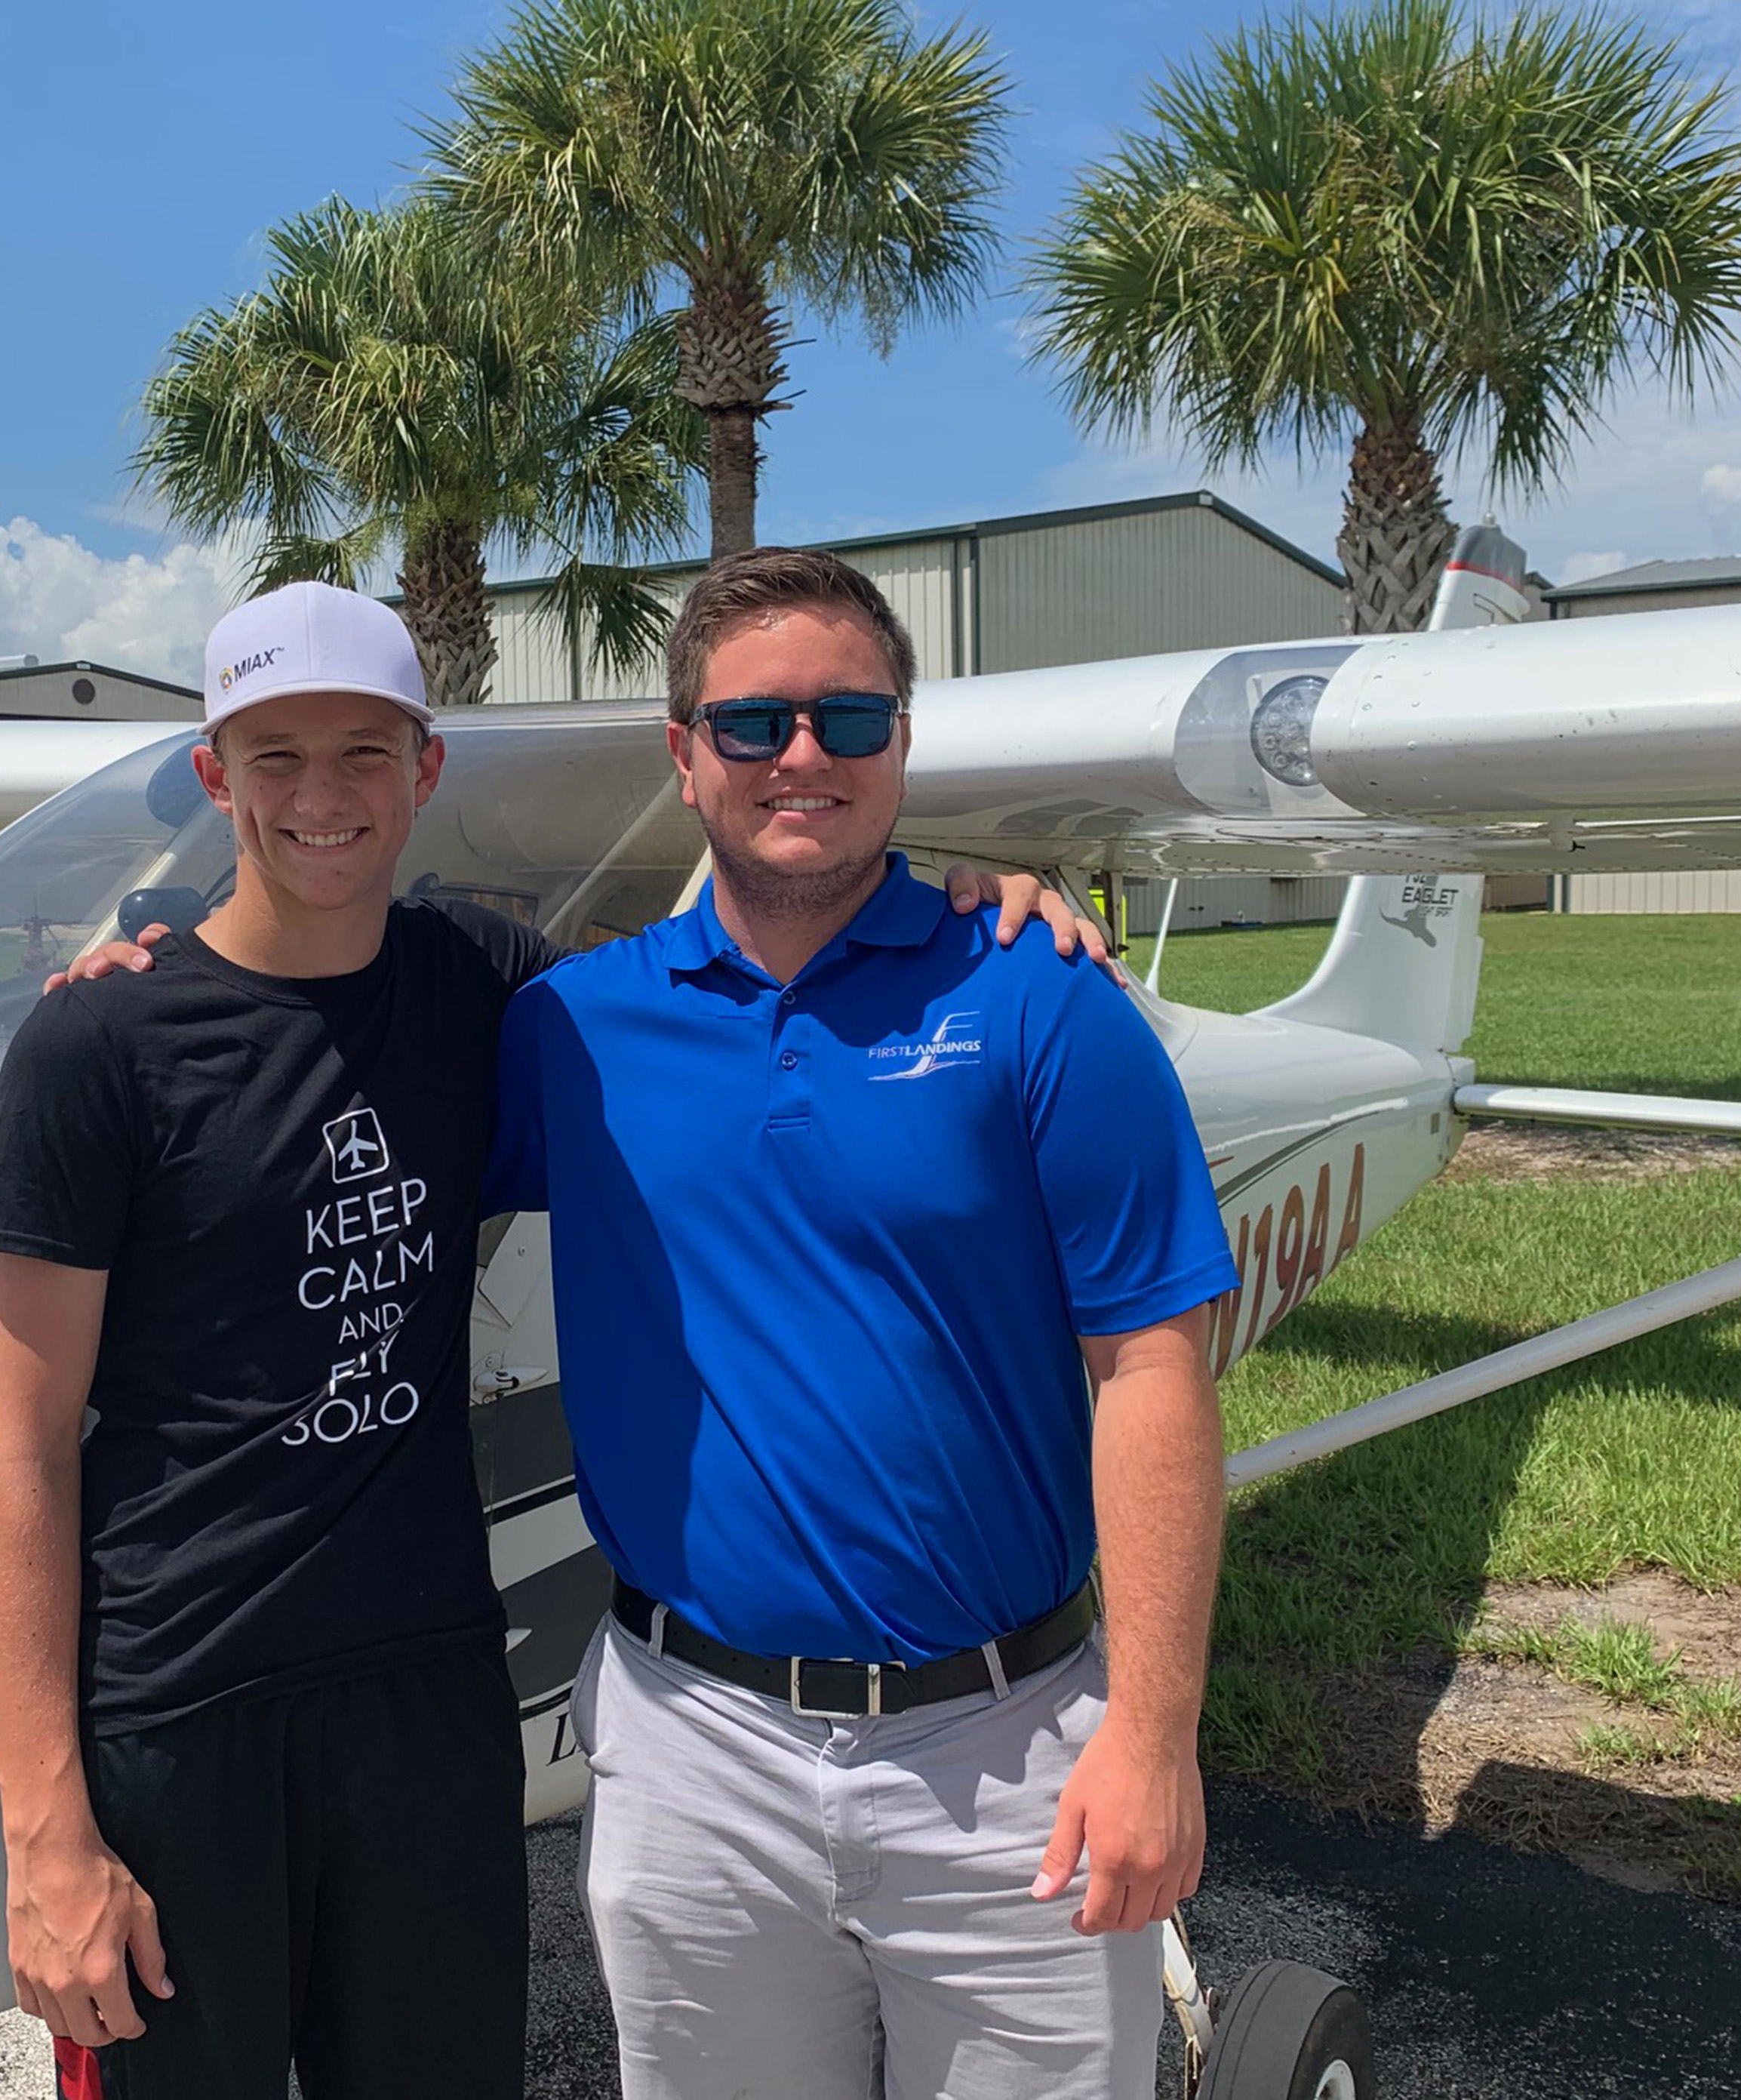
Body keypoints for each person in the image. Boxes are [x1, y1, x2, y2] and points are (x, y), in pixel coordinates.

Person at [0, 577, 1093, 2100]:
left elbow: (719, 999)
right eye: (275, 754)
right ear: (213, 776)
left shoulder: (487, 991)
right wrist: (45, 1830)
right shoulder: (96, 1043)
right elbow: (22, 1449)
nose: (321, 795)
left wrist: (974, 913)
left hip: (430, 1693)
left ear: (425, 768)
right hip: (185, 1705)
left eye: (364, 752)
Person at [482, 547, 1239, 2100]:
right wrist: (139, 980)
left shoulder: (1040, 993)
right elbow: (332, 1077)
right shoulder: (573, 1027)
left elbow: (1152, 1367)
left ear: (902, 740)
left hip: (1006, 1745)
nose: (804, 756)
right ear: (685, 752)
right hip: (693, 1746)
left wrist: (1155, 1735)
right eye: (754, 723)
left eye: (850, 718)